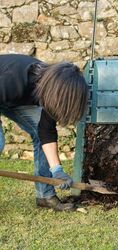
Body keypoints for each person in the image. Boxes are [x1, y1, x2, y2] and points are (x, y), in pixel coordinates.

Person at [0, 54, 89, 211]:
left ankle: (45, 196)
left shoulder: (51, 90)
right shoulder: (13, 79)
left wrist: (57, 170)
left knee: (39, 131)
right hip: (6, 90)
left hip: (12, 99)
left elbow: (46, 132)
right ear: (56, 92)